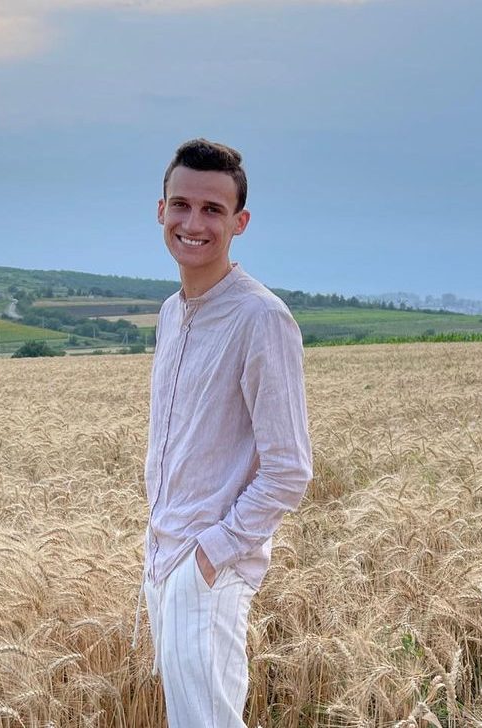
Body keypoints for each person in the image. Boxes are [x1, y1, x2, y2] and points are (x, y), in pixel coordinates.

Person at [132, 138, 313, 727]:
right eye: (181, 205)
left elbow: (289, 469)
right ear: (161, 210)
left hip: (206, 569)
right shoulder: (170, 312)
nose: (193, 223)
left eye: (212, 209)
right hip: (164, 559)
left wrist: (210, 556)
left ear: (240, 222)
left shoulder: (262, 318)